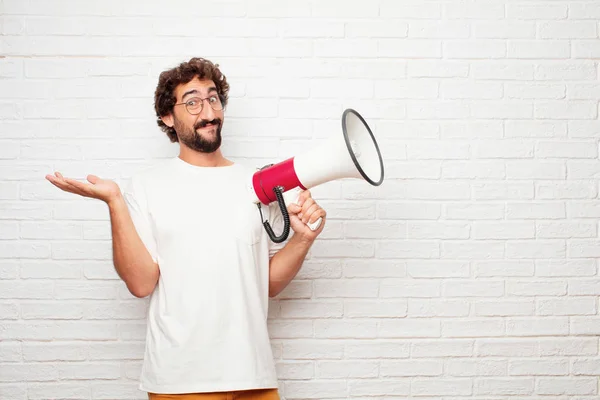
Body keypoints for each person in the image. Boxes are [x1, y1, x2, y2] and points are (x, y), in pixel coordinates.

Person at [45, 57, 327, 400]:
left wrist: (302, 238)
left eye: (212, 98)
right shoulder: (145, 185)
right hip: (180, 380)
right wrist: (115, 202)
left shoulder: (257, 184)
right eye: (192, 101)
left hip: (254, 376)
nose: (207, 110)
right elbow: (140, 282)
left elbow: (268, 284)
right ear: (167, 117)